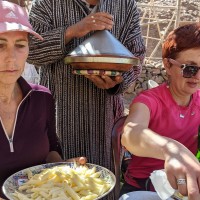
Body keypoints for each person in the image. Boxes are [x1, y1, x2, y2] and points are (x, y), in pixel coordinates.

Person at [27, 1, 145, 199]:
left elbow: (137, 55)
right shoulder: (47, 3)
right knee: (60, 186)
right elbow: (31, 50)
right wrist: (73, 31)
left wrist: (116, 82)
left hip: (104, 119)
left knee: (102, 185)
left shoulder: (125, 5)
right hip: (60, 114)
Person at [0, 1, 86, 199]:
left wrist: (62, 169)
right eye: (0, 45)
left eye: (20, 45)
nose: (11, 58)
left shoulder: (41, 98)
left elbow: (50, 150)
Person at [121, 22, 200, 200]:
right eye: (190, 68)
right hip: (143, 187)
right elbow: (131, 133)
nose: (197, 77)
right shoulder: (149, 100)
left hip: (185, 187)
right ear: (168, 65)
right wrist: (171, 149)